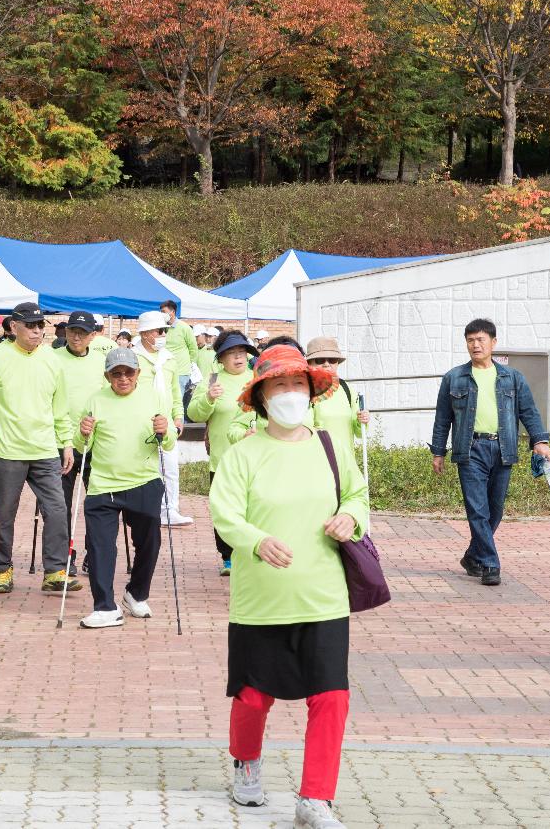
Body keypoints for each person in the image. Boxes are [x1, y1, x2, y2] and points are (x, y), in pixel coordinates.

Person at [209, 344, 366, 829]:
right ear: (260, 398)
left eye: (298, 385)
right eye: (279, 386)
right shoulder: (243, 454)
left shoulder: (330, 447)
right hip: (261, 601)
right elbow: (225, 514)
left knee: (331, 697)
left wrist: (349, 517)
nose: (290, 394)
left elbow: (358, 496)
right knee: (254, 695)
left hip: (323, 593)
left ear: (311, 393)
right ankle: (246, 763)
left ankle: (315, 797)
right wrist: (255, 542)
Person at [431, 319, 550, 587]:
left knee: (494, 510)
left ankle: (473, 556)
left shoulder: (512, 377)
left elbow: (528, 412)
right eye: (470, 340)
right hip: (470, 449)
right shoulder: (454, 377)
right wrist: (438, 451)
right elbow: (442, 418)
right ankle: (490, 564)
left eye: (480, 340)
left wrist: (540, 441)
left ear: (493, 343)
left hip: (502, 449)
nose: (475, 345)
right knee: (478, 510)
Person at [0, 301, 82, 594]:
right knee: (3, 514)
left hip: (46, 449)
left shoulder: (51, 359)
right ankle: (2, 570)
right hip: (9, 450)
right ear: (14, 327)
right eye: (31, 326)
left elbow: (60, 408)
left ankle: (55, 571)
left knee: (58, 510)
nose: (37, 331)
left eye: (40, 326)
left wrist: (68, 444)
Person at [74, 347, 173, 628]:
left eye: (129, 372)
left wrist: (165, 430)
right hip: (103, 485)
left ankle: (136, 593)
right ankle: (105, 606)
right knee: (100, 546)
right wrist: (81, 432)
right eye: (116, 373)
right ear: (107, 376)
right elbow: (83, 447)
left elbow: (169, 442)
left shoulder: (153, 397)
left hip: (144, 480)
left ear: (138, 374)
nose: (123, 378)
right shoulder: (95, 400)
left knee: (149, 542)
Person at [186, 329, 257, 575]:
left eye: (242, 352)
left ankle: (251, 552)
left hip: (257, 460)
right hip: (223, 459)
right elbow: (194, 414)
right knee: (225, 510)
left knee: (253, 509)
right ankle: (228, 557)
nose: (238, 358)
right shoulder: (213, 381)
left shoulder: (258, 379)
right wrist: (208, 398)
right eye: (231, 354)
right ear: (221, 358)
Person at [132, 310, 190, 526]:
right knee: (144, 468)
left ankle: (170, 509)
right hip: (140, 422)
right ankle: (144, 509)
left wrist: (178, 416)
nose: (163, 334)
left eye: (165, 331)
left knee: (170, 468)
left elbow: (176, 392)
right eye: (159, 331)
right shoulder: (132, 357)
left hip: (166, 423)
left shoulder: (169, 359)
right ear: (145, 333)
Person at [54, 311, 108, 537]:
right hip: (60, 440)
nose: (77, 337)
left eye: (83, 333)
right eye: (73, 331)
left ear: (93, 335)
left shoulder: (103, 361)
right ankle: (64, 554)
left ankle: (93, 554)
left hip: (93, 442)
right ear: (66, 331)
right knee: (60, 505)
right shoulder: (51, 357)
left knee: (98, 504)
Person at [305, 336, 371, 451]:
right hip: (318, 461)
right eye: (320, 360)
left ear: (337, 363)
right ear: (309, 363)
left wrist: (362, 421)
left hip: (346, 463)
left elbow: (360, 433)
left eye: (332, 360)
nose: (326, 364)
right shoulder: (305, 391)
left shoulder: (347, 389)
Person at [159, 299, 199, 398]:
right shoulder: (161, 327)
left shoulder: (184, 328)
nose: (161, 314)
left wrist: (190, 365)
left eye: (164, 312)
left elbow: (193, 349)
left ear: (172, 312)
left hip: (181, 371)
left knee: (177, 400)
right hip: (165, 369)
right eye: (161, 312)